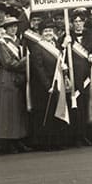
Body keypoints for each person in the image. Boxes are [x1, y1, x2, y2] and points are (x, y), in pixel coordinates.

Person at [25, 19, 67, 150]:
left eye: (50, 31)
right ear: (41, 33)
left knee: (55, 112)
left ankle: (56, 141)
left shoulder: (56, 46)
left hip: (57, 83)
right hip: (44, 86)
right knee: (45, 114)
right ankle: (45, 143)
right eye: (45, 31)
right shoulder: (38, 47)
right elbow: (39, 68)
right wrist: (47, 85)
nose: (48, 33)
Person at [0, 15, 29, 153]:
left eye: (15, 26)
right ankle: (10, 142)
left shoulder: (19, 41)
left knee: (19, 111)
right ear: (6, 29)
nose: (13, 29)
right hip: (8, 79)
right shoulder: (3, 43)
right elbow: (8, 63)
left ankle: (19, 139)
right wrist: (26, 61)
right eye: (10, 27)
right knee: (9, 111)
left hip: (19, 78)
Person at [66, 10, 92, 147]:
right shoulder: (66, 37)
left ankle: (85, 134)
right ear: (71, 23)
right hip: (73, 76)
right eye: (75, 22)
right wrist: (64, 45)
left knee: (85, 105)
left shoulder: (90, 36)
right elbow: (61, 56)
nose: (78, 24)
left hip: (87, 76)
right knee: (75, 106)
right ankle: (76, 136)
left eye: (80, 21)